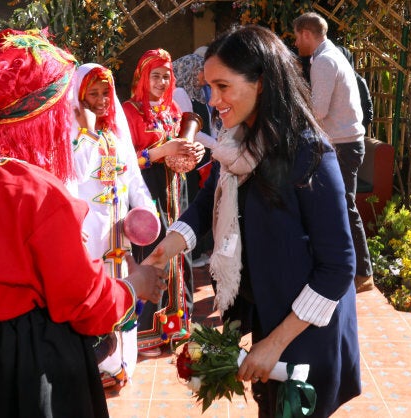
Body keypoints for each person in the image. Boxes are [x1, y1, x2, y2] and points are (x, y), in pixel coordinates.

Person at [0, 29, 167, 418]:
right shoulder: (38, 194)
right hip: (26, 358)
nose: (67, 116)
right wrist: (133, 286)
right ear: (36, 115)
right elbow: (83, 301)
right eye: (60, 107)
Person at [144, 25, 362, 417]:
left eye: (223, 86)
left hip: (306, 333)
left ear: (260, 83)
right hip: (270, 315)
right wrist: (162, 251)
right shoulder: (239, 145)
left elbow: (338, 266)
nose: (213, 100)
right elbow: (208, 205)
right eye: (209, 87)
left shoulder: (309, 153)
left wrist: (275, 344)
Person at [70, 62, 158, 386]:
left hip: (119, 239)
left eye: (105, 92)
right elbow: (75, 177)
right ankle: (98, 365)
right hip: (89, 238)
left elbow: (135, 182)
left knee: (124, 292)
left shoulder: (117, 137)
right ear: (78, 98)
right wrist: (87, 132)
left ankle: (121, 363)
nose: (102, 99)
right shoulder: (74, 141)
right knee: (95, 298)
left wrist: (147, 213)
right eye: (92, 93)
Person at [121, 48, 204, 357]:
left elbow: (182, 155)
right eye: (154, 76)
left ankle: (177, 328)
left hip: (176, 193)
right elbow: (125, 162)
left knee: (179, 253)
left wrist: (194, 153)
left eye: (166, 76)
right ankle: (147, 334)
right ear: (143, 78)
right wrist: (161, 150)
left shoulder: (172, 111)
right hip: (148, 195)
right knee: (154, 255)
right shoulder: (129, 112)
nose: (160, 81)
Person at [293, 12, 374, 293]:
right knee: (341, 206)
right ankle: (354, 270)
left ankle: (362, 273)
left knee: (344, 208)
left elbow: (318, 111)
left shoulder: (324, 61)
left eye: (296, 36)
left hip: (342, 145)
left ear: (306, 33)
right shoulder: (330, 55)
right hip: (345, 142)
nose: (296, 43)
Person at [172, 53, 215, 268]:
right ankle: (193, 253)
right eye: (201, 71)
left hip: (202, 158)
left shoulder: (195, 93)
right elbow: (190, 131)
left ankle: (196, 251)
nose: (204, 77)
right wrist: (217, 145)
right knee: (192, 203)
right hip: (191, 160)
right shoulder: (180, 93)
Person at [336, 45, 374, 133]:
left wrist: (354, 128)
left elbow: (368, 112)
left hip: (351, 134)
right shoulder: (332, 80)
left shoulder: (358, 81)